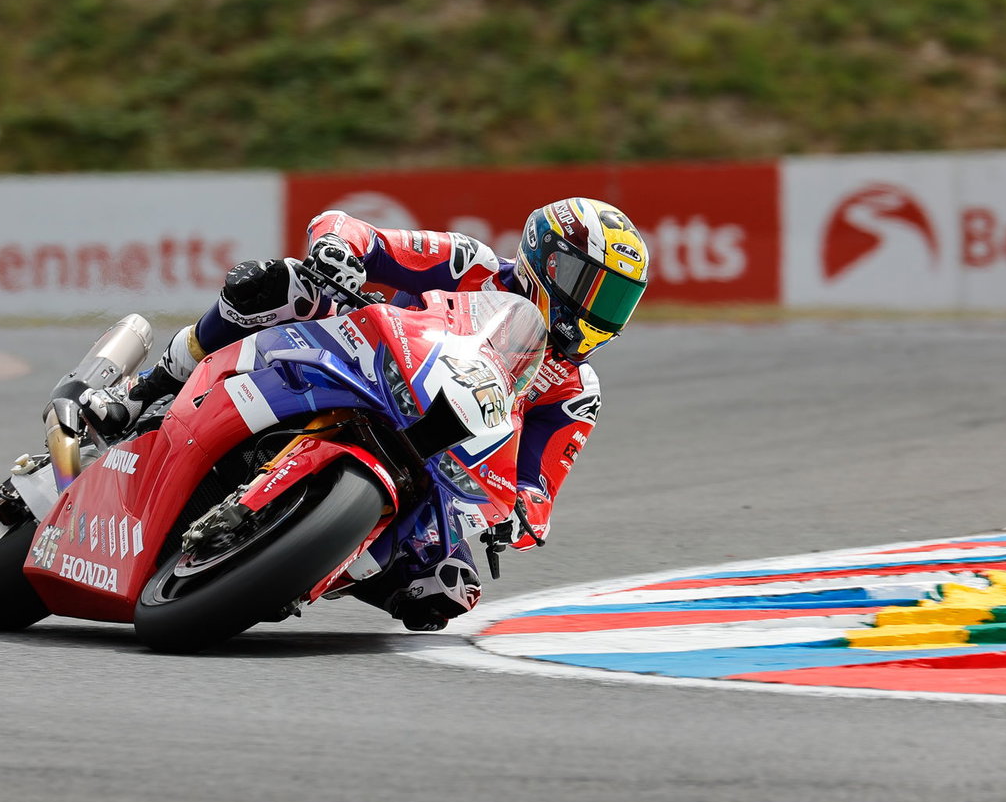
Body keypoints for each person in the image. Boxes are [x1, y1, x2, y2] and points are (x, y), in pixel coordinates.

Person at [59, 197, 652, 630]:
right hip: (362, 362)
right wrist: (339, 251)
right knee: (277, 283)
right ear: (546, 260)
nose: (599, 310)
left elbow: (539, 488)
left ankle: (296, 563)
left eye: (617, 300)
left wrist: (515, 518)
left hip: (439, 458)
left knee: (442, 592)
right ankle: (145, 391)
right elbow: (354, 231)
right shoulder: (470, 263)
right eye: (590, 285)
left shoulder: (576, 389)